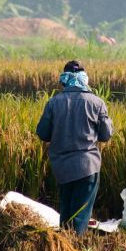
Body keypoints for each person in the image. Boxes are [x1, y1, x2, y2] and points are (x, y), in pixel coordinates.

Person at [36, 60, 113, 235]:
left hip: (62, 167)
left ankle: (64, 246)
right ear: (84, 79)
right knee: (80, 214)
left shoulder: (54, 103)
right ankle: (74, 248)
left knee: (66, 211)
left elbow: (42, 133)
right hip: (87, 166)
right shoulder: (96, 103)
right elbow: (106, 135)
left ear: (64, 79)